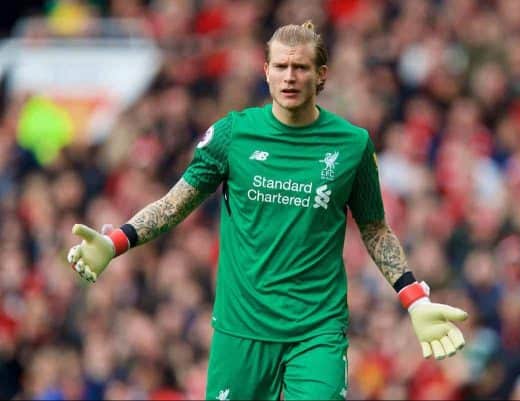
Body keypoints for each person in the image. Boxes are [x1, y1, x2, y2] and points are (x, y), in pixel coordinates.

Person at [67, 21, 469, 400]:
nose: (290, 77)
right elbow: (174, 204)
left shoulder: (352, 145)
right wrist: (115, 241)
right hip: (241, 330)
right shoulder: (233, 135)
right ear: (266, 71)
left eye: (300, 67)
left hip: (317, 330)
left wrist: (414, 298)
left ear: (322, 75)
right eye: (281, 66)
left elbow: (375, 229)